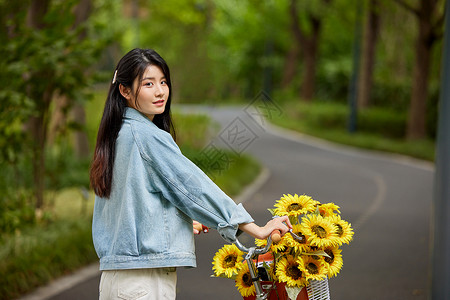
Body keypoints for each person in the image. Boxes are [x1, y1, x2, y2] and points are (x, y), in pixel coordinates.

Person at [89, 48, 291, 300]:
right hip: (143, 282)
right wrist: (256, 228)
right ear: (125, 90)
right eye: (148, 84)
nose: (160, 91)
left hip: (116, 281)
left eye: (163, 82)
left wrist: (176, 223)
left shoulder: (117, 135)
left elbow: (131, 207)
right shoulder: (147, 137)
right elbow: (194, 188)